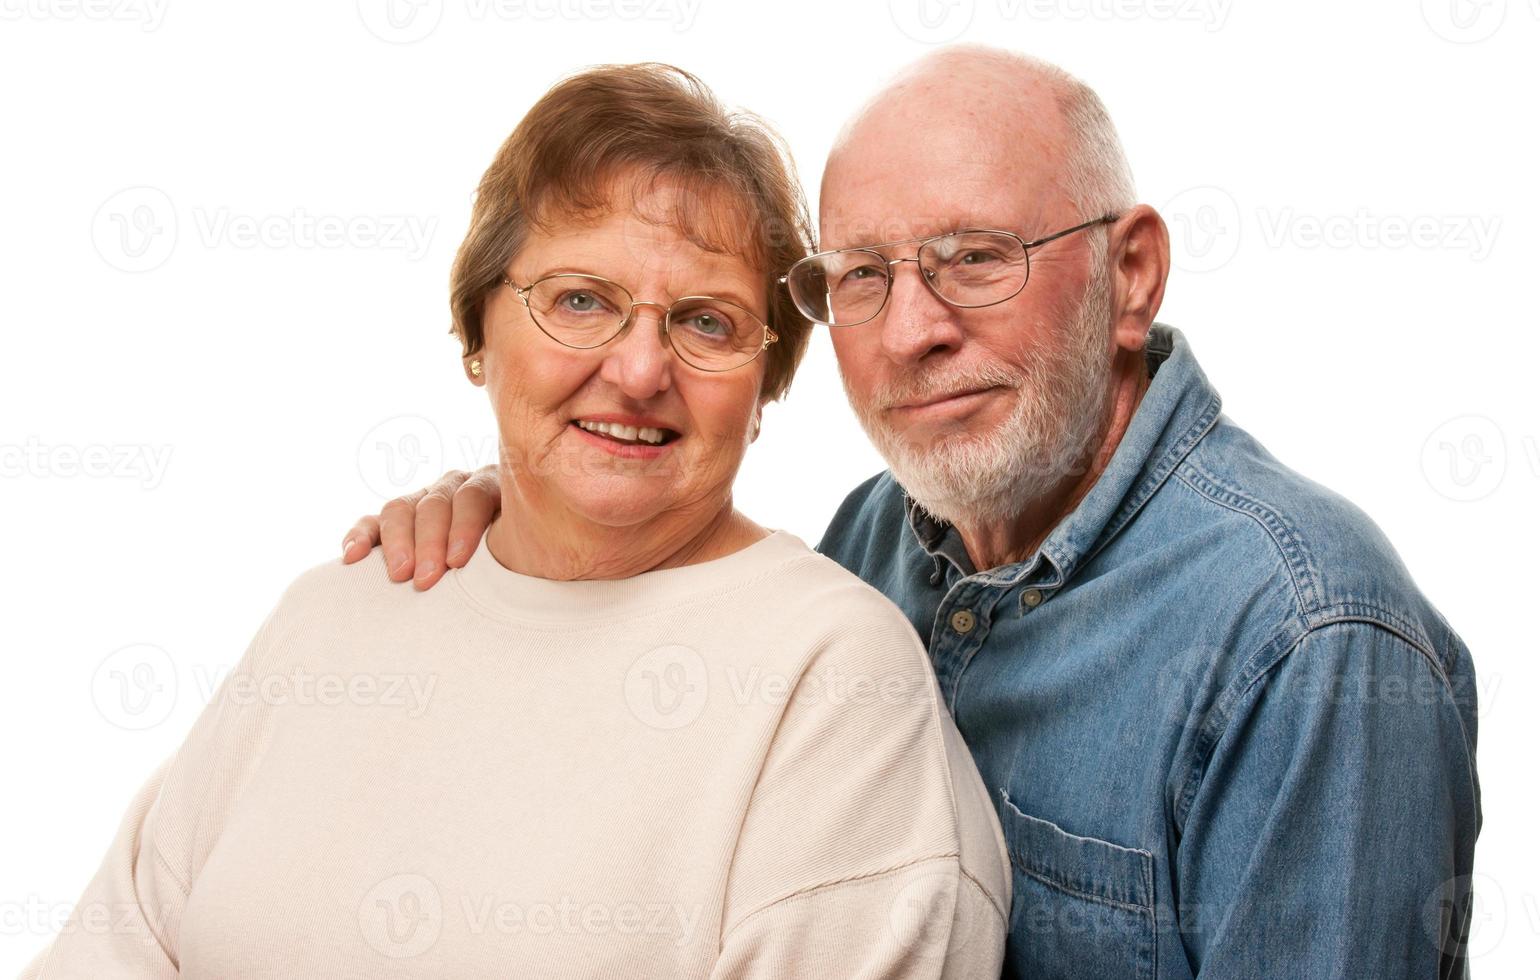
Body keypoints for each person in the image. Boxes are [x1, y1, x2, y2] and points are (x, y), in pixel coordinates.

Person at [356, 47, 1482, 978]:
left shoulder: (1309, 642)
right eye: (859, 276)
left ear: (1130, 274)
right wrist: (513, 524)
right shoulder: (877, 535)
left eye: (972, 260)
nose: (909, 333)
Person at [23, 64, 1009, 978]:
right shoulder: (332, 617)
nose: (637, 369)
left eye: (705, 320)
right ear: (477, 332)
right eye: (580, 300)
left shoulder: (830, 681)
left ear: (765, 381)